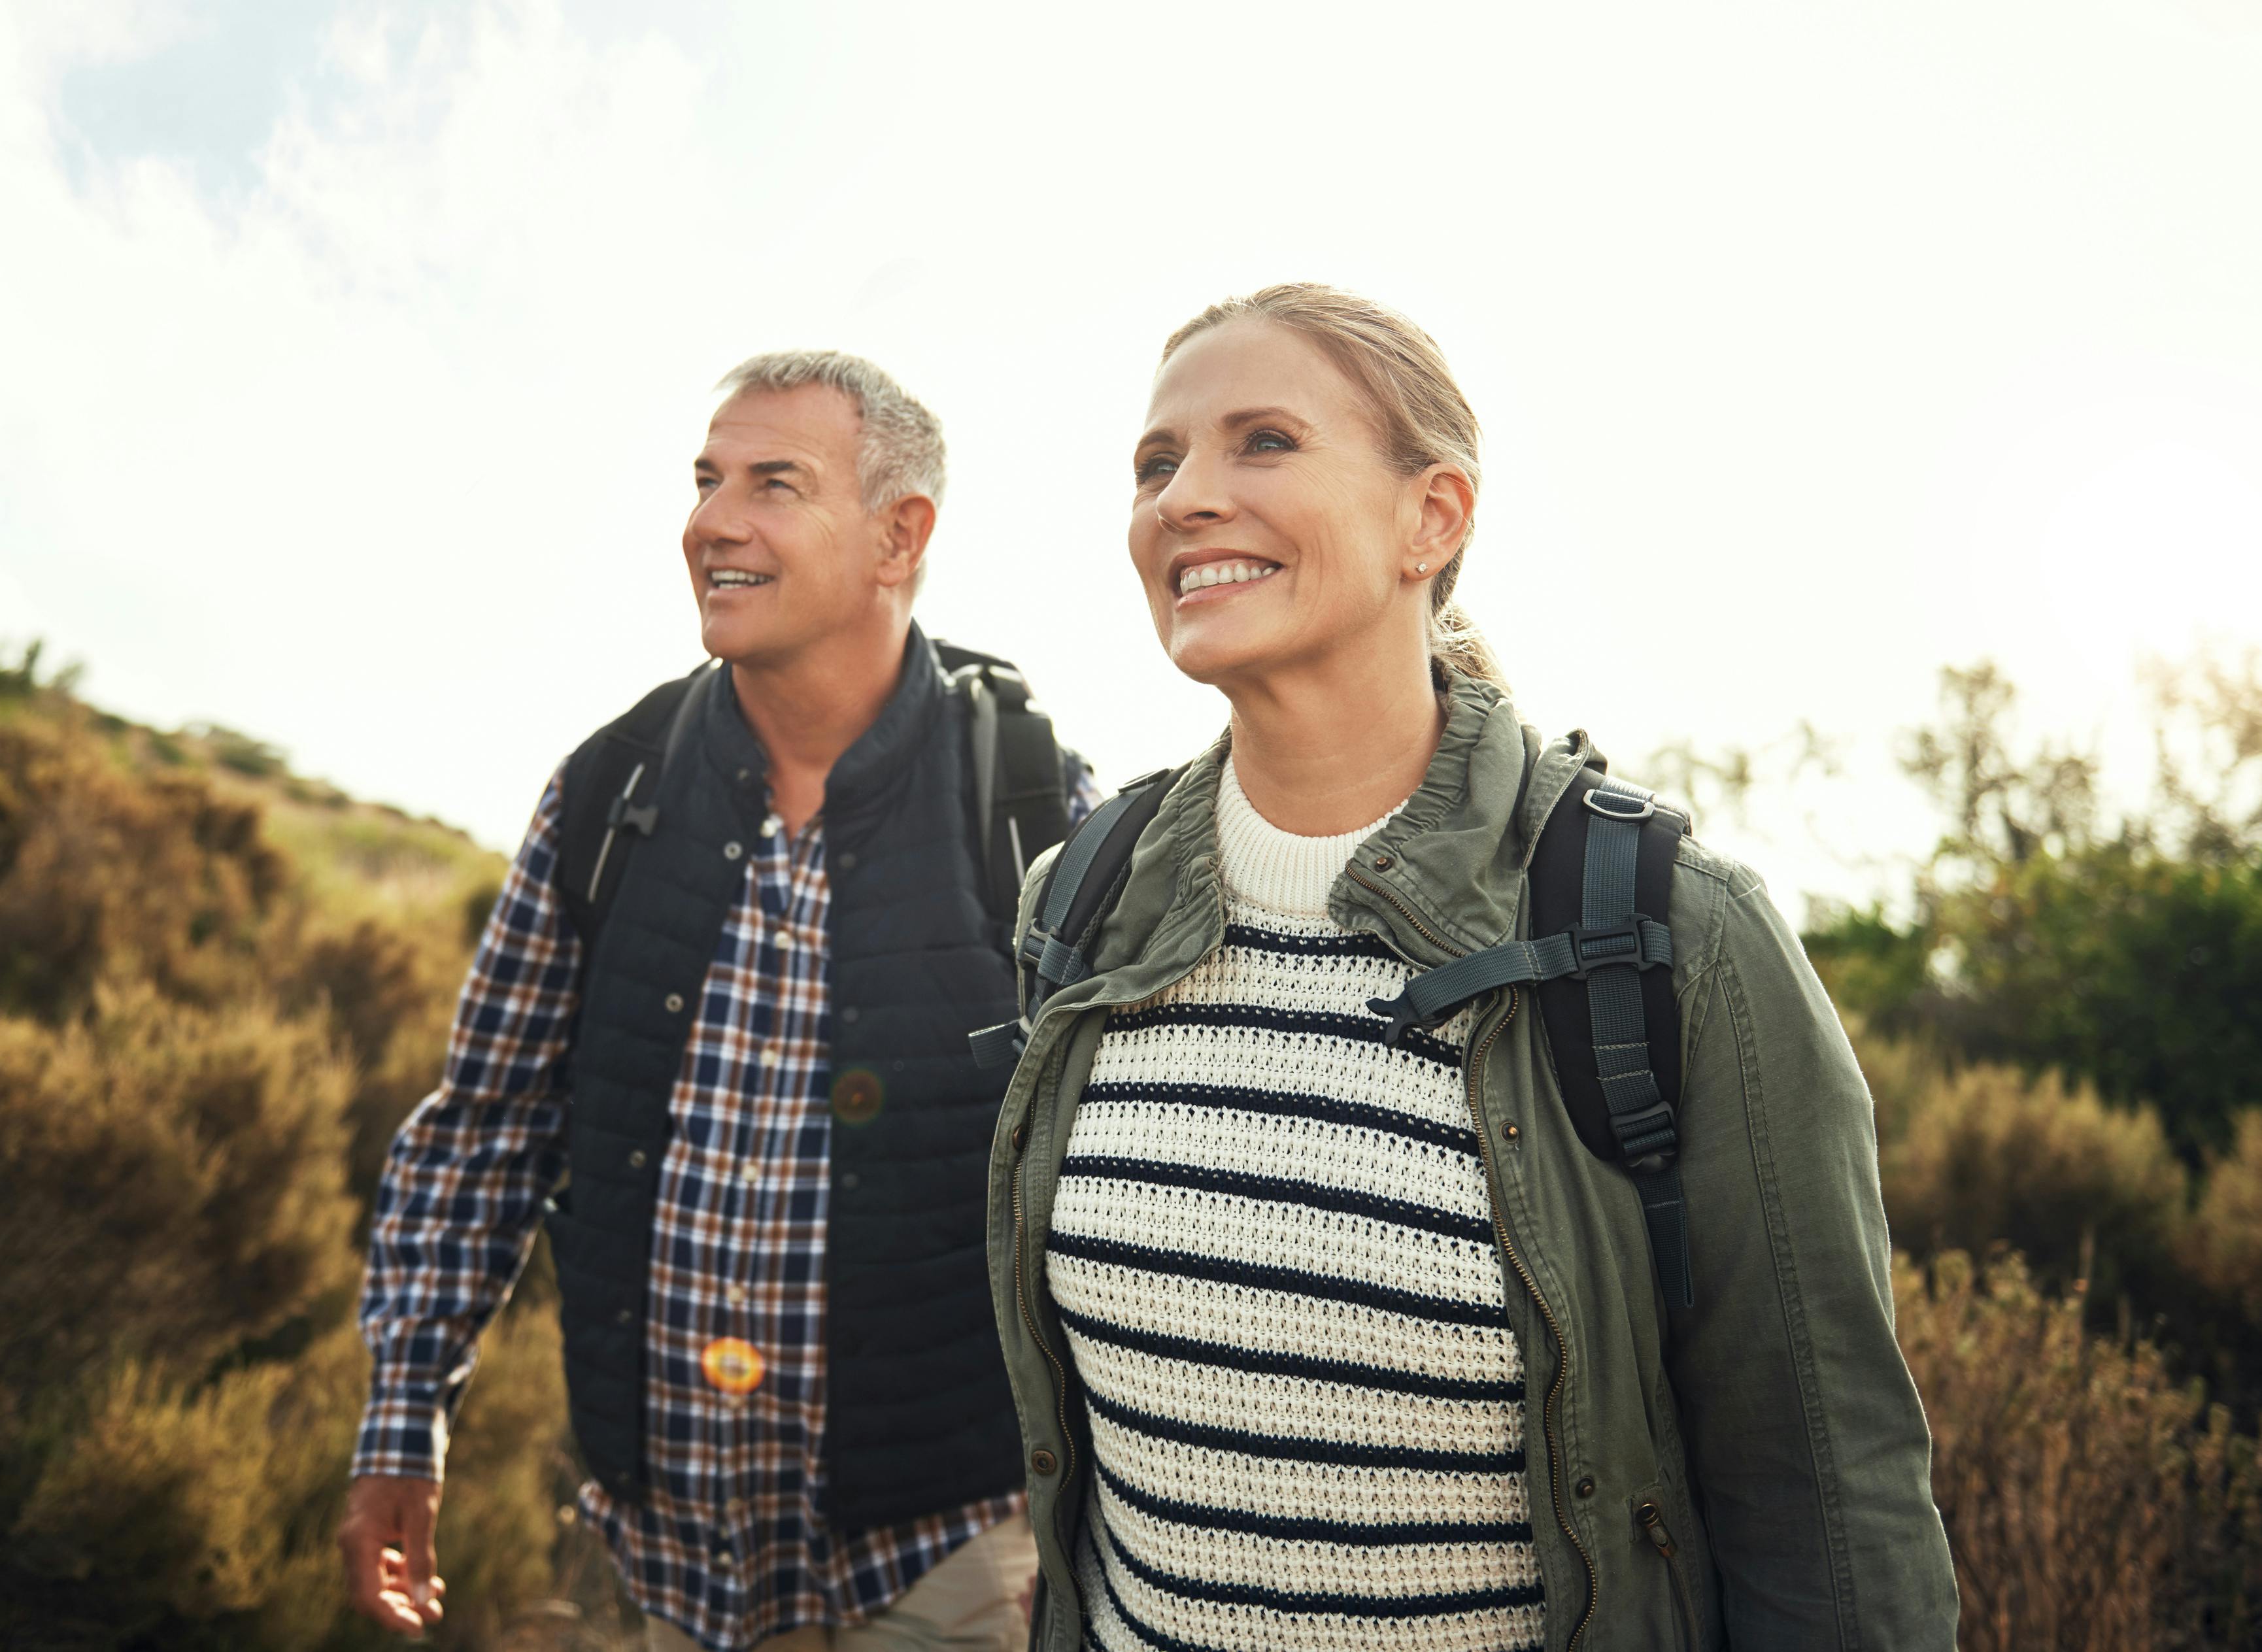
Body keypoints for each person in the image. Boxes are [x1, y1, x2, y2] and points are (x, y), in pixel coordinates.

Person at [985, 285, 1957, 1650]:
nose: (1184, 497)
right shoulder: (1077, 903)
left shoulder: (1674, 934)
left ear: (1429, 517)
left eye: (1261, 441)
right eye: (1156, 463)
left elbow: (1832, 1512)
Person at [341, 350, 1096, 1651]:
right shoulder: (607, 791)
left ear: (895, 537)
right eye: (704, 481)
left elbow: (1106, 1175)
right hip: (671, 1564)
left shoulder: (1027, 797)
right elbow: (483, 1128)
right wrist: (404, 1415)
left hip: (951, 1554)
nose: (709, 521)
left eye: (773, 484)